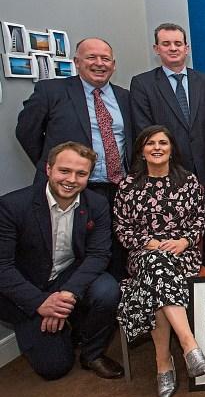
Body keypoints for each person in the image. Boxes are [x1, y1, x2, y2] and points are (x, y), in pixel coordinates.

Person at [0, 142, 122, 380]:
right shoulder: (12, 206)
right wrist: (40, 302)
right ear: (49, 169)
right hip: (27, 286)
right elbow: (2, 267)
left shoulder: (96, 205)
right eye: (64, 171)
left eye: (81, 174)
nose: (71, 179)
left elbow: (98, 254)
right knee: (54, 368)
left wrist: (67, 294)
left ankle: (92, 353)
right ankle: (66, 327)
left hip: (67, 277)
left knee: (107, 290)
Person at [16, 37, 134, 280]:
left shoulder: (125, 97)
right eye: (91, 57)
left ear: (114, 64)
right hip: (71, 189)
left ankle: (112, 307)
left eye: (105, 59)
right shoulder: (52, 91)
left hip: (116, 189)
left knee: (114, 252)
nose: (99, 63)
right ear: (77, 62)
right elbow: (27, 132)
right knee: (67, 252)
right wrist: (53, 168)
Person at [114, 125, 205, 397]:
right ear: (141, 151)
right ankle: (188, 345)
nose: (157, 148)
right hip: (143, 254)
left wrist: (183, 242)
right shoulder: (129, 185)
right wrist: (149, 244)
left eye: (163, 143)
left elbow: (201, 220)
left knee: (157, 277)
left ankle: (163, 362)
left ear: (171, 149)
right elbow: (121, 227)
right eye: (150, 144)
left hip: (183, 254)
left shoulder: (188, 181)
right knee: (156, 266)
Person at [129, 23, 205, 194]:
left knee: (202, 221)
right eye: (166, 44)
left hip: (204, 174)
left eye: (178, 44)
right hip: (164, 173)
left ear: (187, 48)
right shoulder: (143, 84)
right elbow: (144, 131)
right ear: (156, 48)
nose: (173, 48)